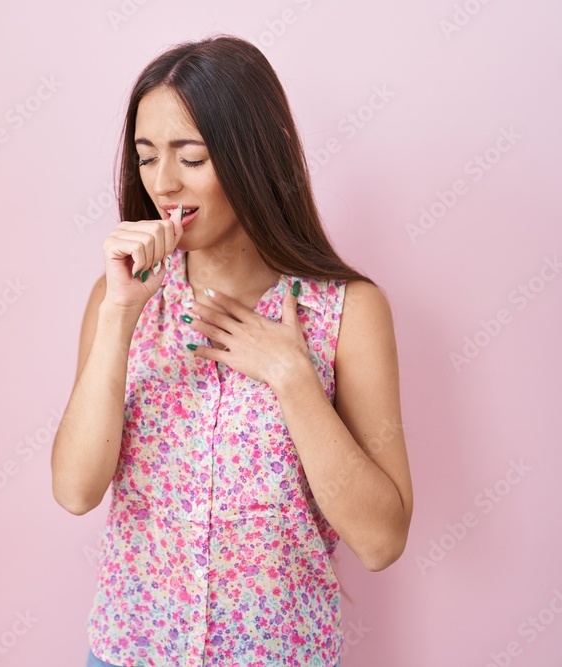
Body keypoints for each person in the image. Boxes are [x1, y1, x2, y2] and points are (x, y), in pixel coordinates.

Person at [50, 35, 414, 667]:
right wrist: (117, 318)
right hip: (129, 654)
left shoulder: (348, 312)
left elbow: (381, 541)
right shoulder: (120, 303)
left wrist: (293, 379)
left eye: (190, 158)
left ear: (254, 154)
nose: (163, 184)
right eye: (146, 157)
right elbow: (76, 490)